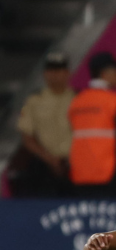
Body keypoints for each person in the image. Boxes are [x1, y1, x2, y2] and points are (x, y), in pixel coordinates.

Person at [67, 51, 116, 197]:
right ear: (104, 73)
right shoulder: (115, 101)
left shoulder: (76, 102)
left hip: (80, 174)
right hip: (110, 174)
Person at [10, 52, 74, 197]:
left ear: (67, 73)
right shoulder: (34, 100)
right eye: (50, 70)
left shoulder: (78, 99)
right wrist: (50, 159)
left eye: (58, 70)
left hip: (75, 165)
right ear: (45, 74)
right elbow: (27, 137)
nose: (54, 75)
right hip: (44, 166)